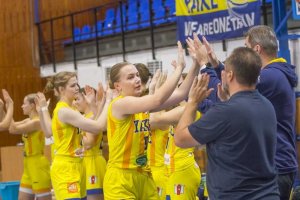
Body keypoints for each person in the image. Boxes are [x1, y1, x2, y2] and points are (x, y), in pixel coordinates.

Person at [175, 47, 280, 200]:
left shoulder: (225, 112)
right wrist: (226, 102)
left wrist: (192, 102)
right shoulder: (267, 105)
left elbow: (180, 138)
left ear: (229, 75)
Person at [104, 41, 201, 199]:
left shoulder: (141, 105)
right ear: (118, 86)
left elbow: (181, 93)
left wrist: (195, 64)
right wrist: (179, 68)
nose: (136, 79)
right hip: (121, 178)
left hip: (144, 175)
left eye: (137, 75)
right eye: (130, 77)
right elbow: (157, 100)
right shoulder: (120, 104)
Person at [37, 71, 109, 200]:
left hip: (79, 164)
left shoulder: (72, 110)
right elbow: (99, 126)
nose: (77, 88)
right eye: (72, 85)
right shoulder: (64, 111)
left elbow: (49, 132)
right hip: (66, 167)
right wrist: (108, 100)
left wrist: (97, 104)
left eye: (77, 84)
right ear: (61, 89)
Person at [245, 25, 298, 200]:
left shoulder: (269, 76)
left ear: (256, 49)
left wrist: (209, 66)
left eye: (246, 48)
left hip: (275, 165)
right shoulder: (278, 73)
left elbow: (232, 90)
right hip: (279, 163)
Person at [8, 93, 52, 200]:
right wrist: (2, 110)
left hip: (38, 166)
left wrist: (10, 106)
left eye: (24, 103)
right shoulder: (29, 120)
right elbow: (10, 127)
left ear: (32, 105)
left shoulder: (37, 122)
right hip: (28, 165)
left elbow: (14, 129)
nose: (22, 106)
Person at [73, 87, 107, 200]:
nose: (74, 103)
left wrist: (77, 136)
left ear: (86, 99)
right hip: (87, 161)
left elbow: (89, 143)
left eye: (77, 99)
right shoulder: (86, 118)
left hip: (94, 163)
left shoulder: (91, 117)